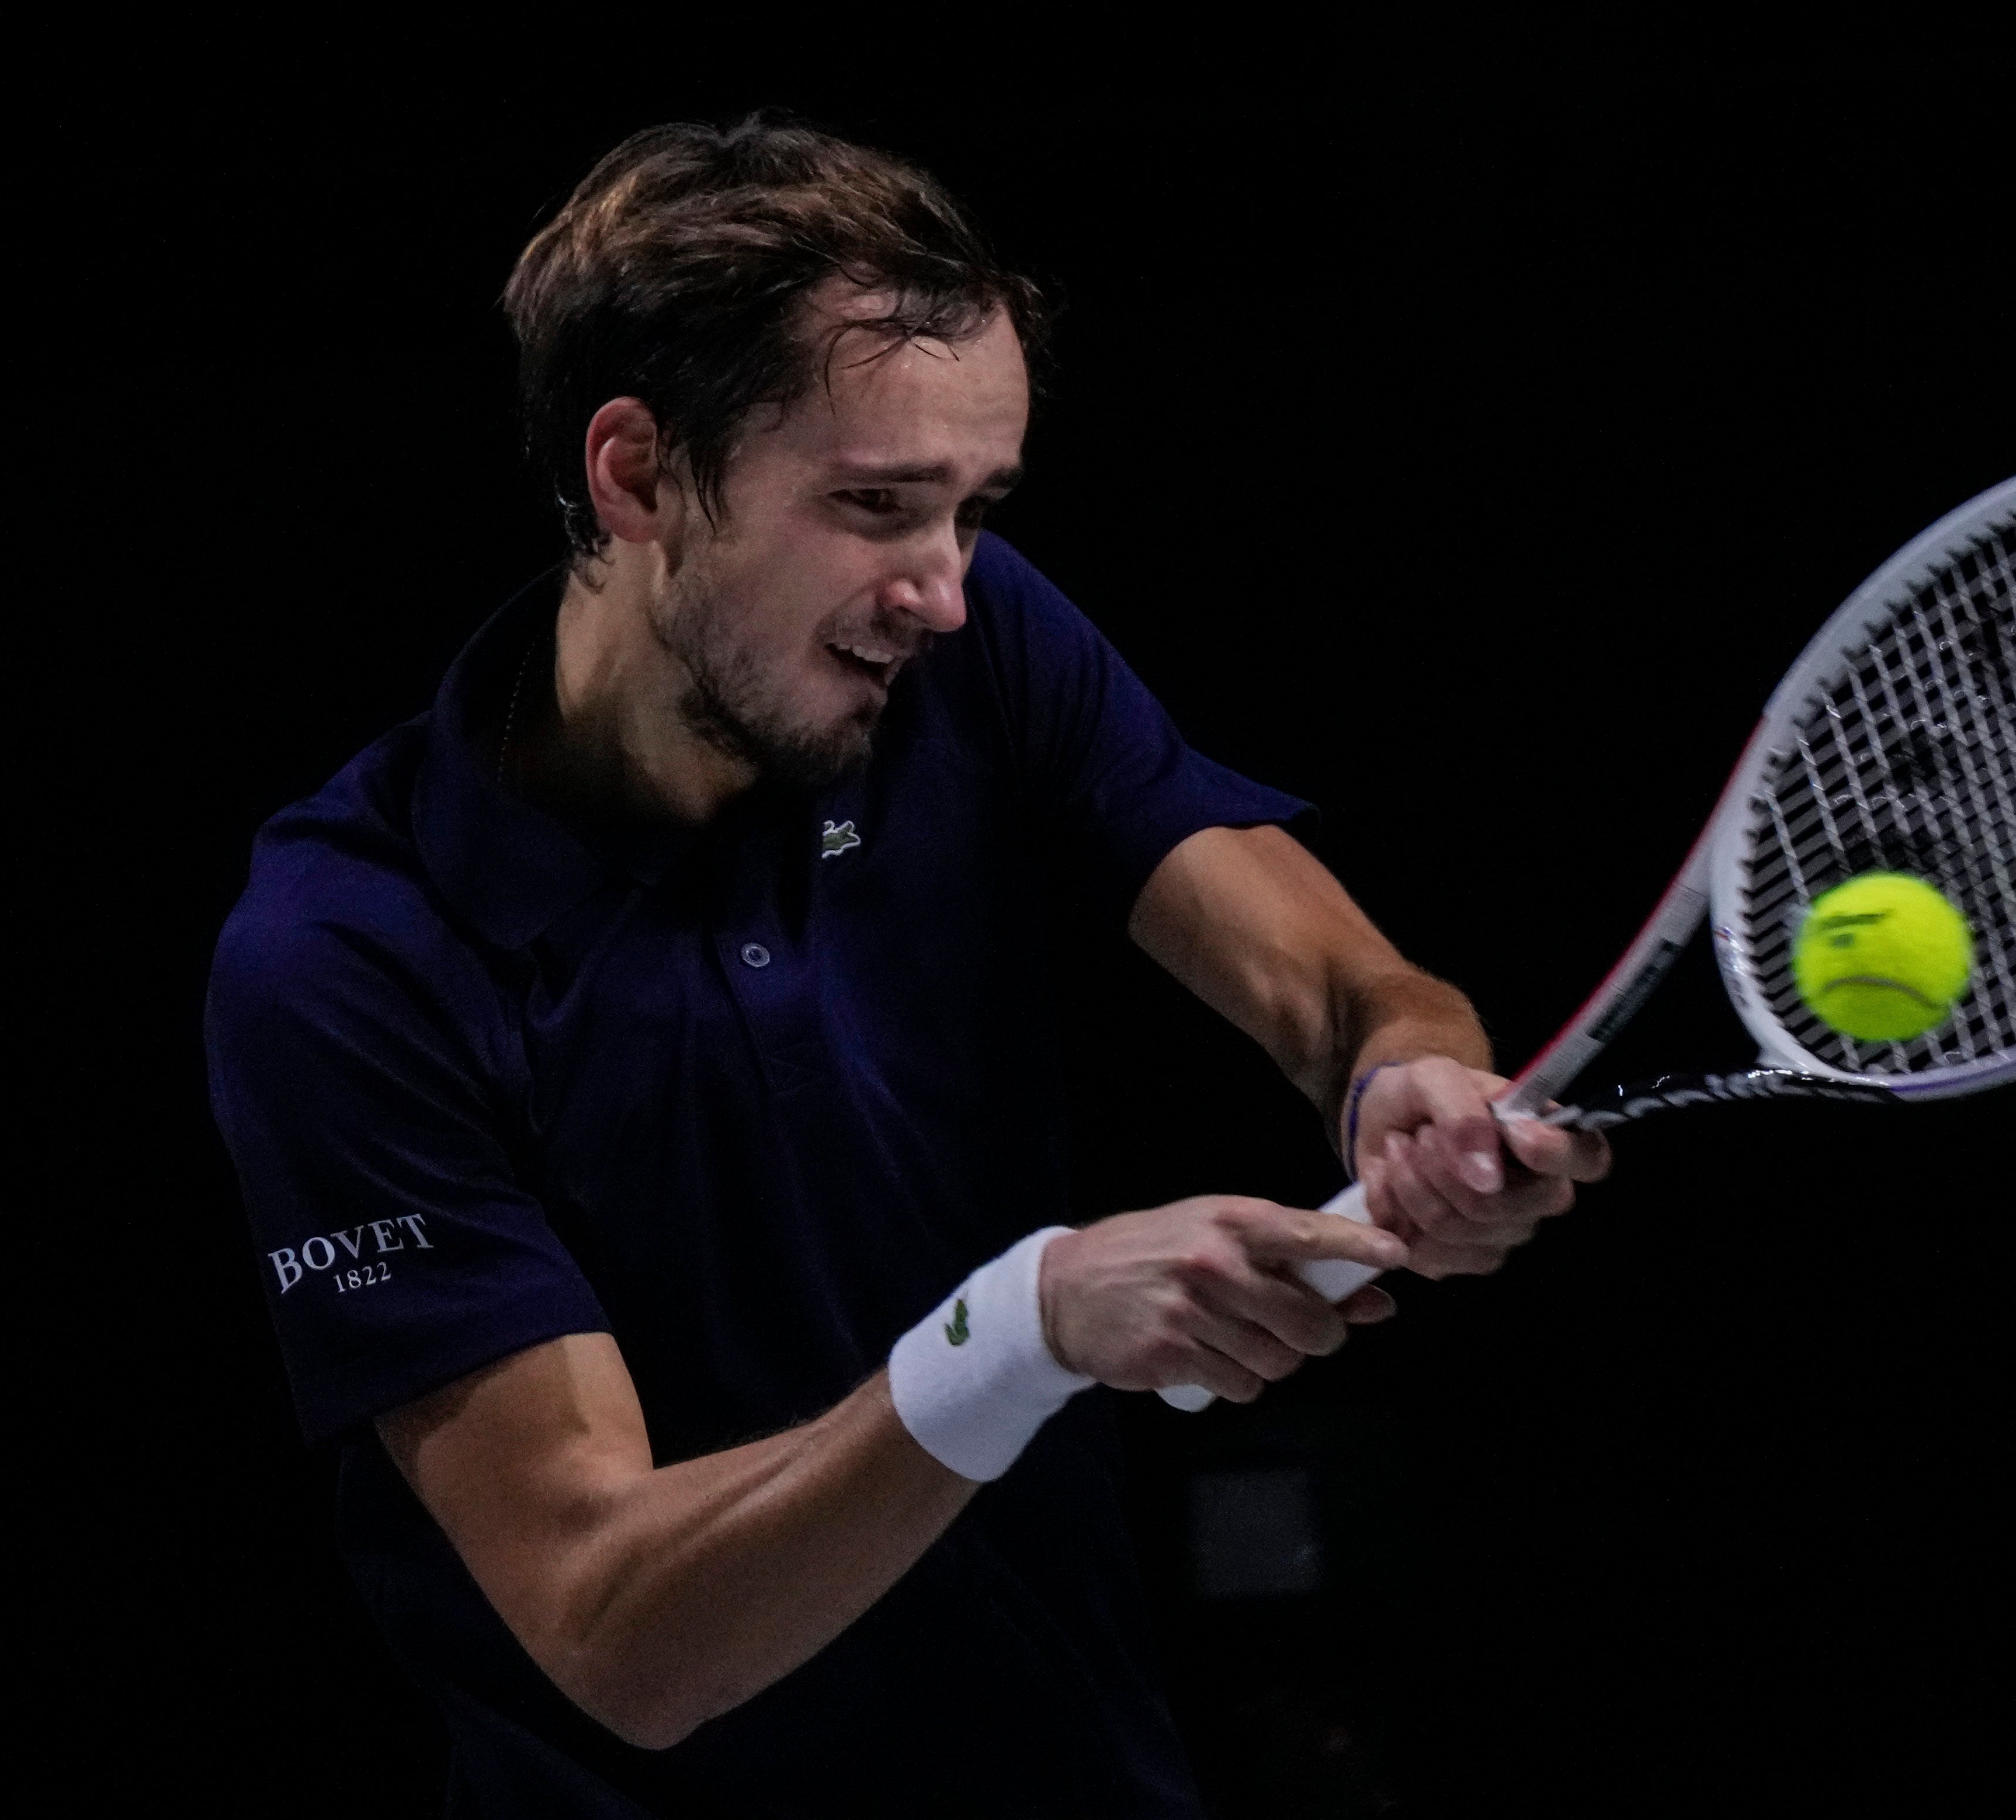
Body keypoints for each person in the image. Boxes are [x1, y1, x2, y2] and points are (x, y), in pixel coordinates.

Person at [204, 114, 1608, 1815]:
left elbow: (1339, 993)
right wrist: (1022, 1324)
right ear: (636, 474)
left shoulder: (978, 642)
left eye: (972, 509)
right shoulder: (350, 953)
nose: (942, 591)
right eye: (873, 505)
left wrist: (1410, 1090)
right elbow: (616, 1627)